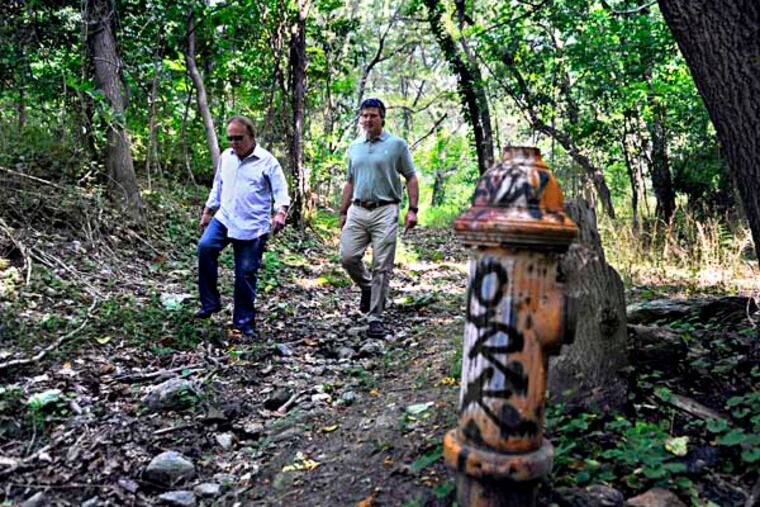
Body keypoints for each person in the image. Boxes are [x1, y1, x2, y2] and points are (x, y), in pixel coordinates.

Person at [194, 115, 290, 339]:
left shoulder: (267, 161)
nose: (234, 143)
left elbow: (281, 191)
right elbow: (217, 185)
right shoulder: (226, 157)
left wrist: (280, 213)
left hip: (252, 226)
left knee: (245, 273)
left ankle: (244, 323)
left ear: (251, 136)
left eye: (239, 138)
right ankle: (210, 303)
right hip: (225, 217)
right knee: (205, 247)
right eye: (230, 139)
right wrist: (208, 211)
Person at [338, 98, 419, 339]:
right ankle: (366, 287)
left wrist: (413, 209)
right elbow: (350, 181)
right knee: (348, 257)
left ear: (382, 118)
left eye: (373, 115)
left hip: (386, 208)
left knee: (381, 265)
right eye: (364, 115)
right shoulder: (354, 147)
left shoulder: (396, 145)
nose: (368, 120)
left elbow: (411, 177)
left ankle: (375, 317)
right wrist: (342, 211)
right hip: (358, 208)